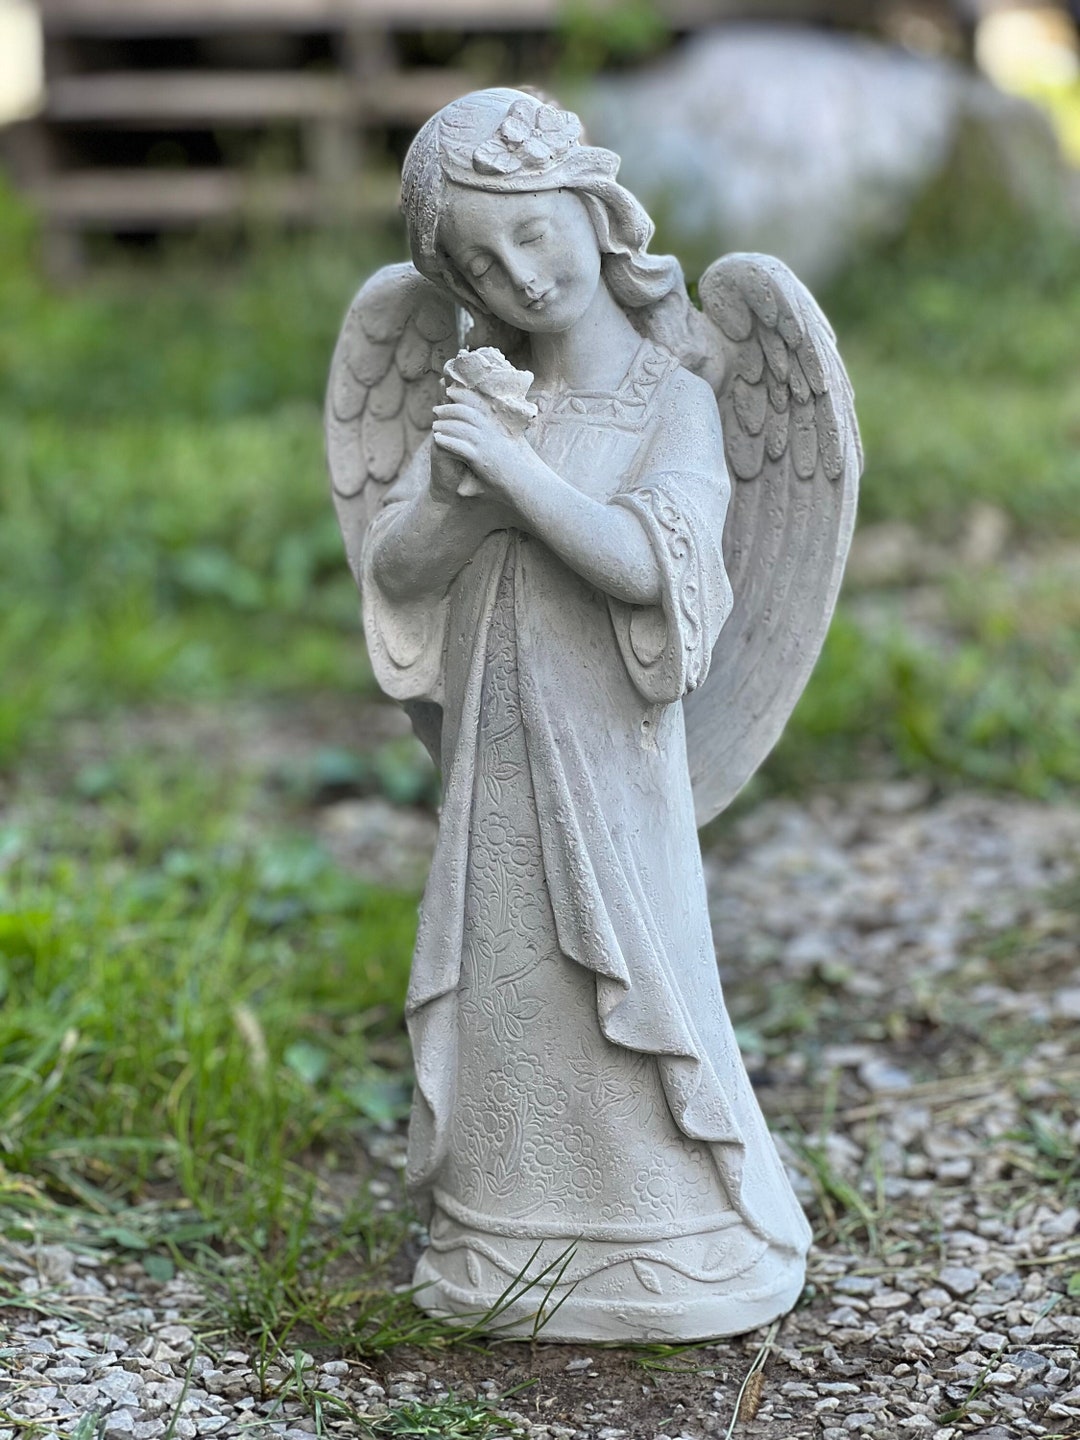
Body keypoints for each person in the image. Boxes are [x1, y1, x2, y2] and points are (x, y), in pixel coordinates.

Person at [360, 88, 812, 1341]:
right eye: (486, 264)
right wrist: (464, 493)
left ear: (596, 212)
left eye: (538, 233)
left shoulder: (674, 399)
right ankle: (508, 1225)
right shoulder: (481, 391)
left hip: (610, 757)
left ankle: (671, 1230)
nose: (524, 275)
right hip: (500, 745)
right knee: (511, 962)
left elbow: (647, 565)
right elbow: (399, 570)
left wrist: (510, 476)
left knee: (629, 957)